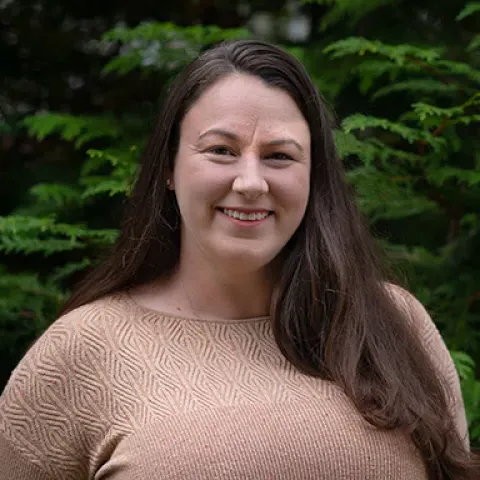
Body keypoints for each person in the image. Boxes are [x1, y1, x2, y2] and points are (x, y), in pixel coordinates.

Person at [0, 40, 477, 480]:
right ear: (168, 168)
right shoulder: (82, 350)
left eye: (279, 156)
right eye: (221, 150)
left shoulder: (393, 324)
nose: (251, 182)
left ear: (314, 176)